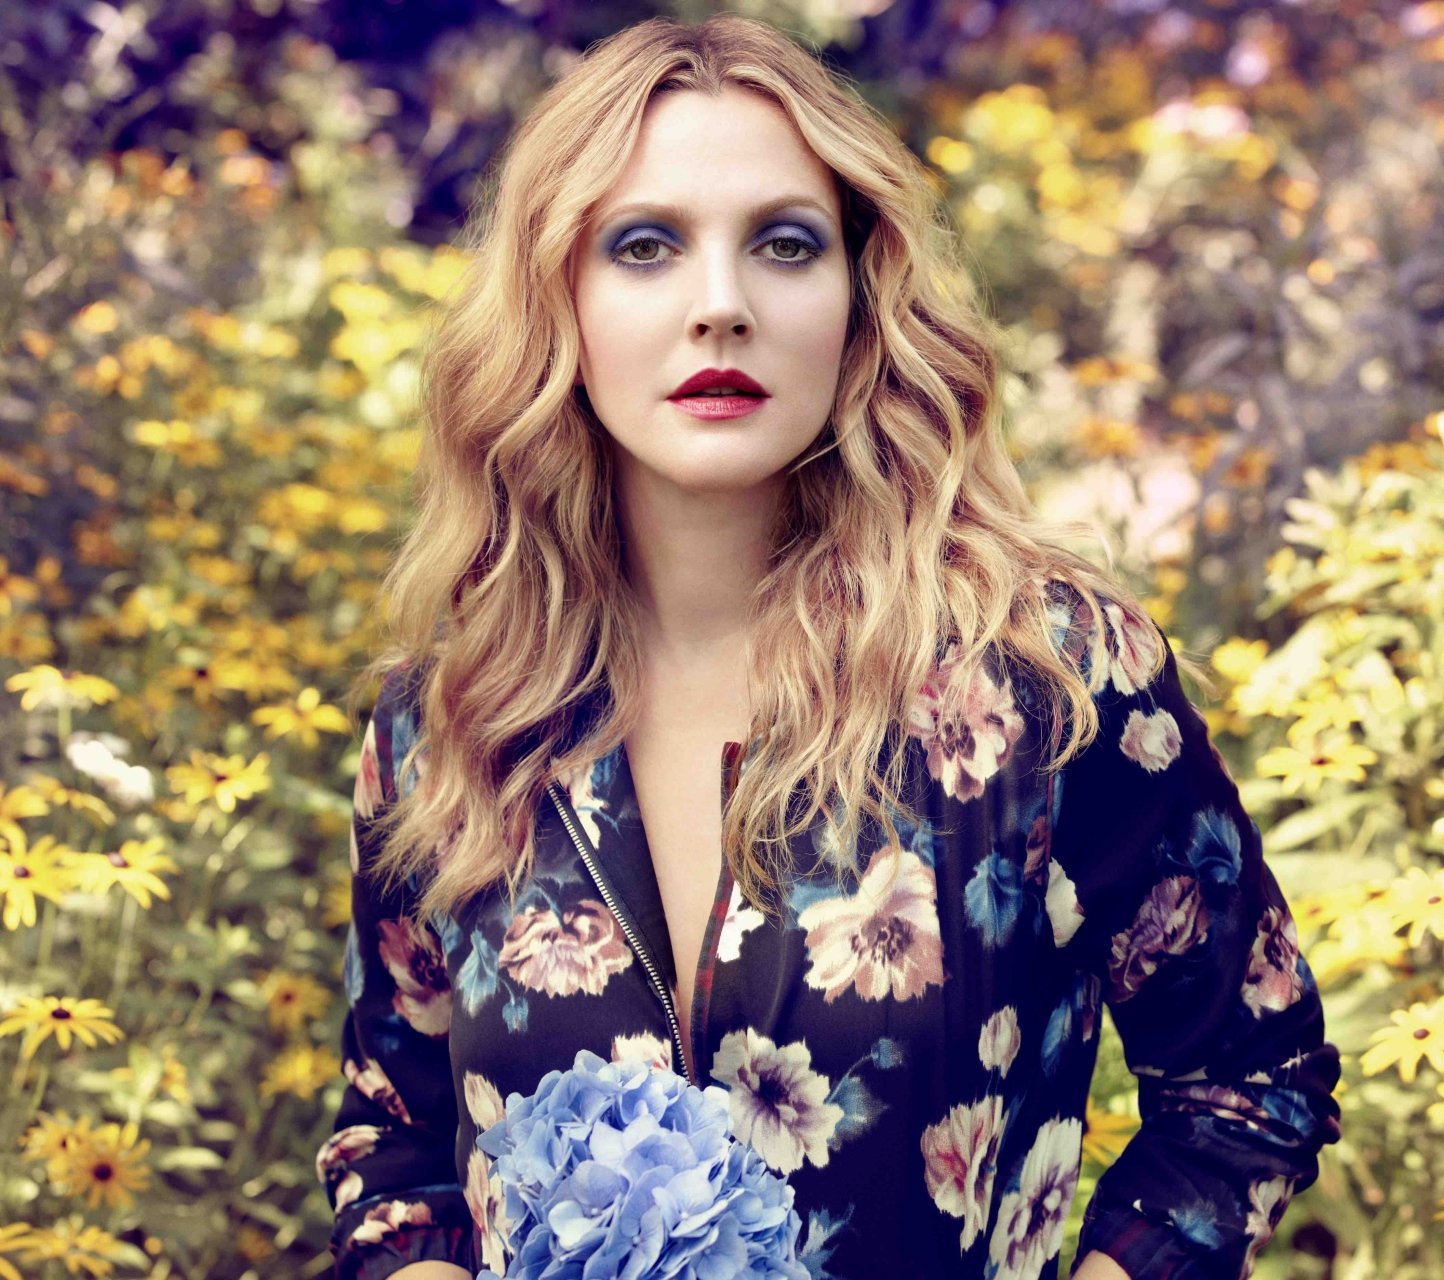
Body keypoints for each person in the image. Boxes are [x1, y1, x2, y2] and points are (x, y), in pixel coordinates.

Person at [318, 15, 1342, 1280]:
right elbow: (396, 1144)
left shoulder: (1044, 679)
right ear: (557, 299)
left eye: (785, 244)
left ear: (860, 297)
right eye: (644, 246)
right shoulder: (451, 715)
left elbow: (1249, 1080)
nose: (721, 306)